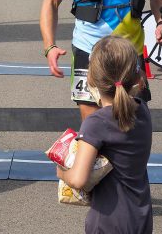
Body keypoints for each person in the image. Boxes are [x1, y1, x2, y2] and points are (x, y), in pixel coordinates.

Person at [56, 35, 153, 234]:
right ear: (135, 77)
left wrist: (61, 171)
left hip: (108, 221)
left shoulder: (96, 123)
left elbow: (78, 179)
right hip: (141, 216)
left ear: (91, 79)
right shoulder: (142, 110)